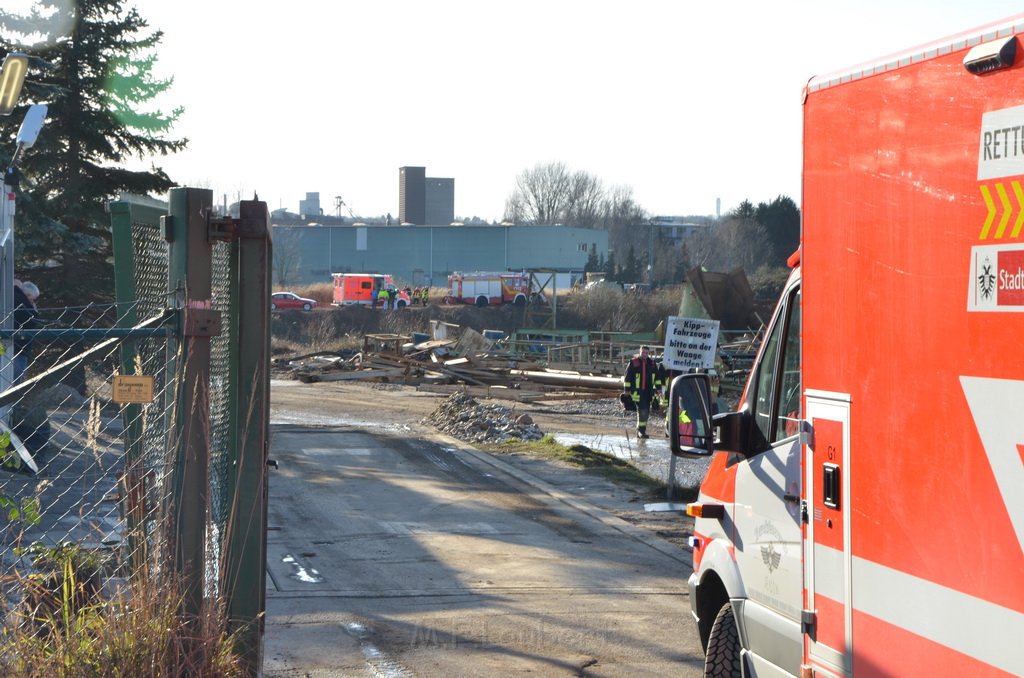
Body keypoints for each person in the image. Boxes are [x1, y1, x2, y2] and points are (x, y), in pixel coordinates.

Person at [623, 345, 663, 439]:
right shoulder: (634, 362)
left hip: (648, 392)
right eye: (643, 352)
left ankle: (641, 430)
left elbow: (657, 378)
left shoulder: (652, 363)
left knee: (646, 411)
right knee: (642, 411)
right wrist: (626, 391)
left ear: (648, 353)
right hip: (637, 392)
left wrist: (659, 389)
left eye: (646, 353)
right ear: (640, 352)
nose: (644, 354)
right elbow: (627, 377)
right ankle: (641, 431)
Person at [12, 280, 39, 383]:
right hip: (19, 348)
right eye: (33, 300)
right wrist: (34, 311)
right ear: (28, 295)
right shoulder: (21, 301)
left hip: (5, 345)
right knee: (17, 377)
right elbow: (32, 321)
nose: (33, 302)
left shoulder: (10, 296)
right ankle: (12, 398)